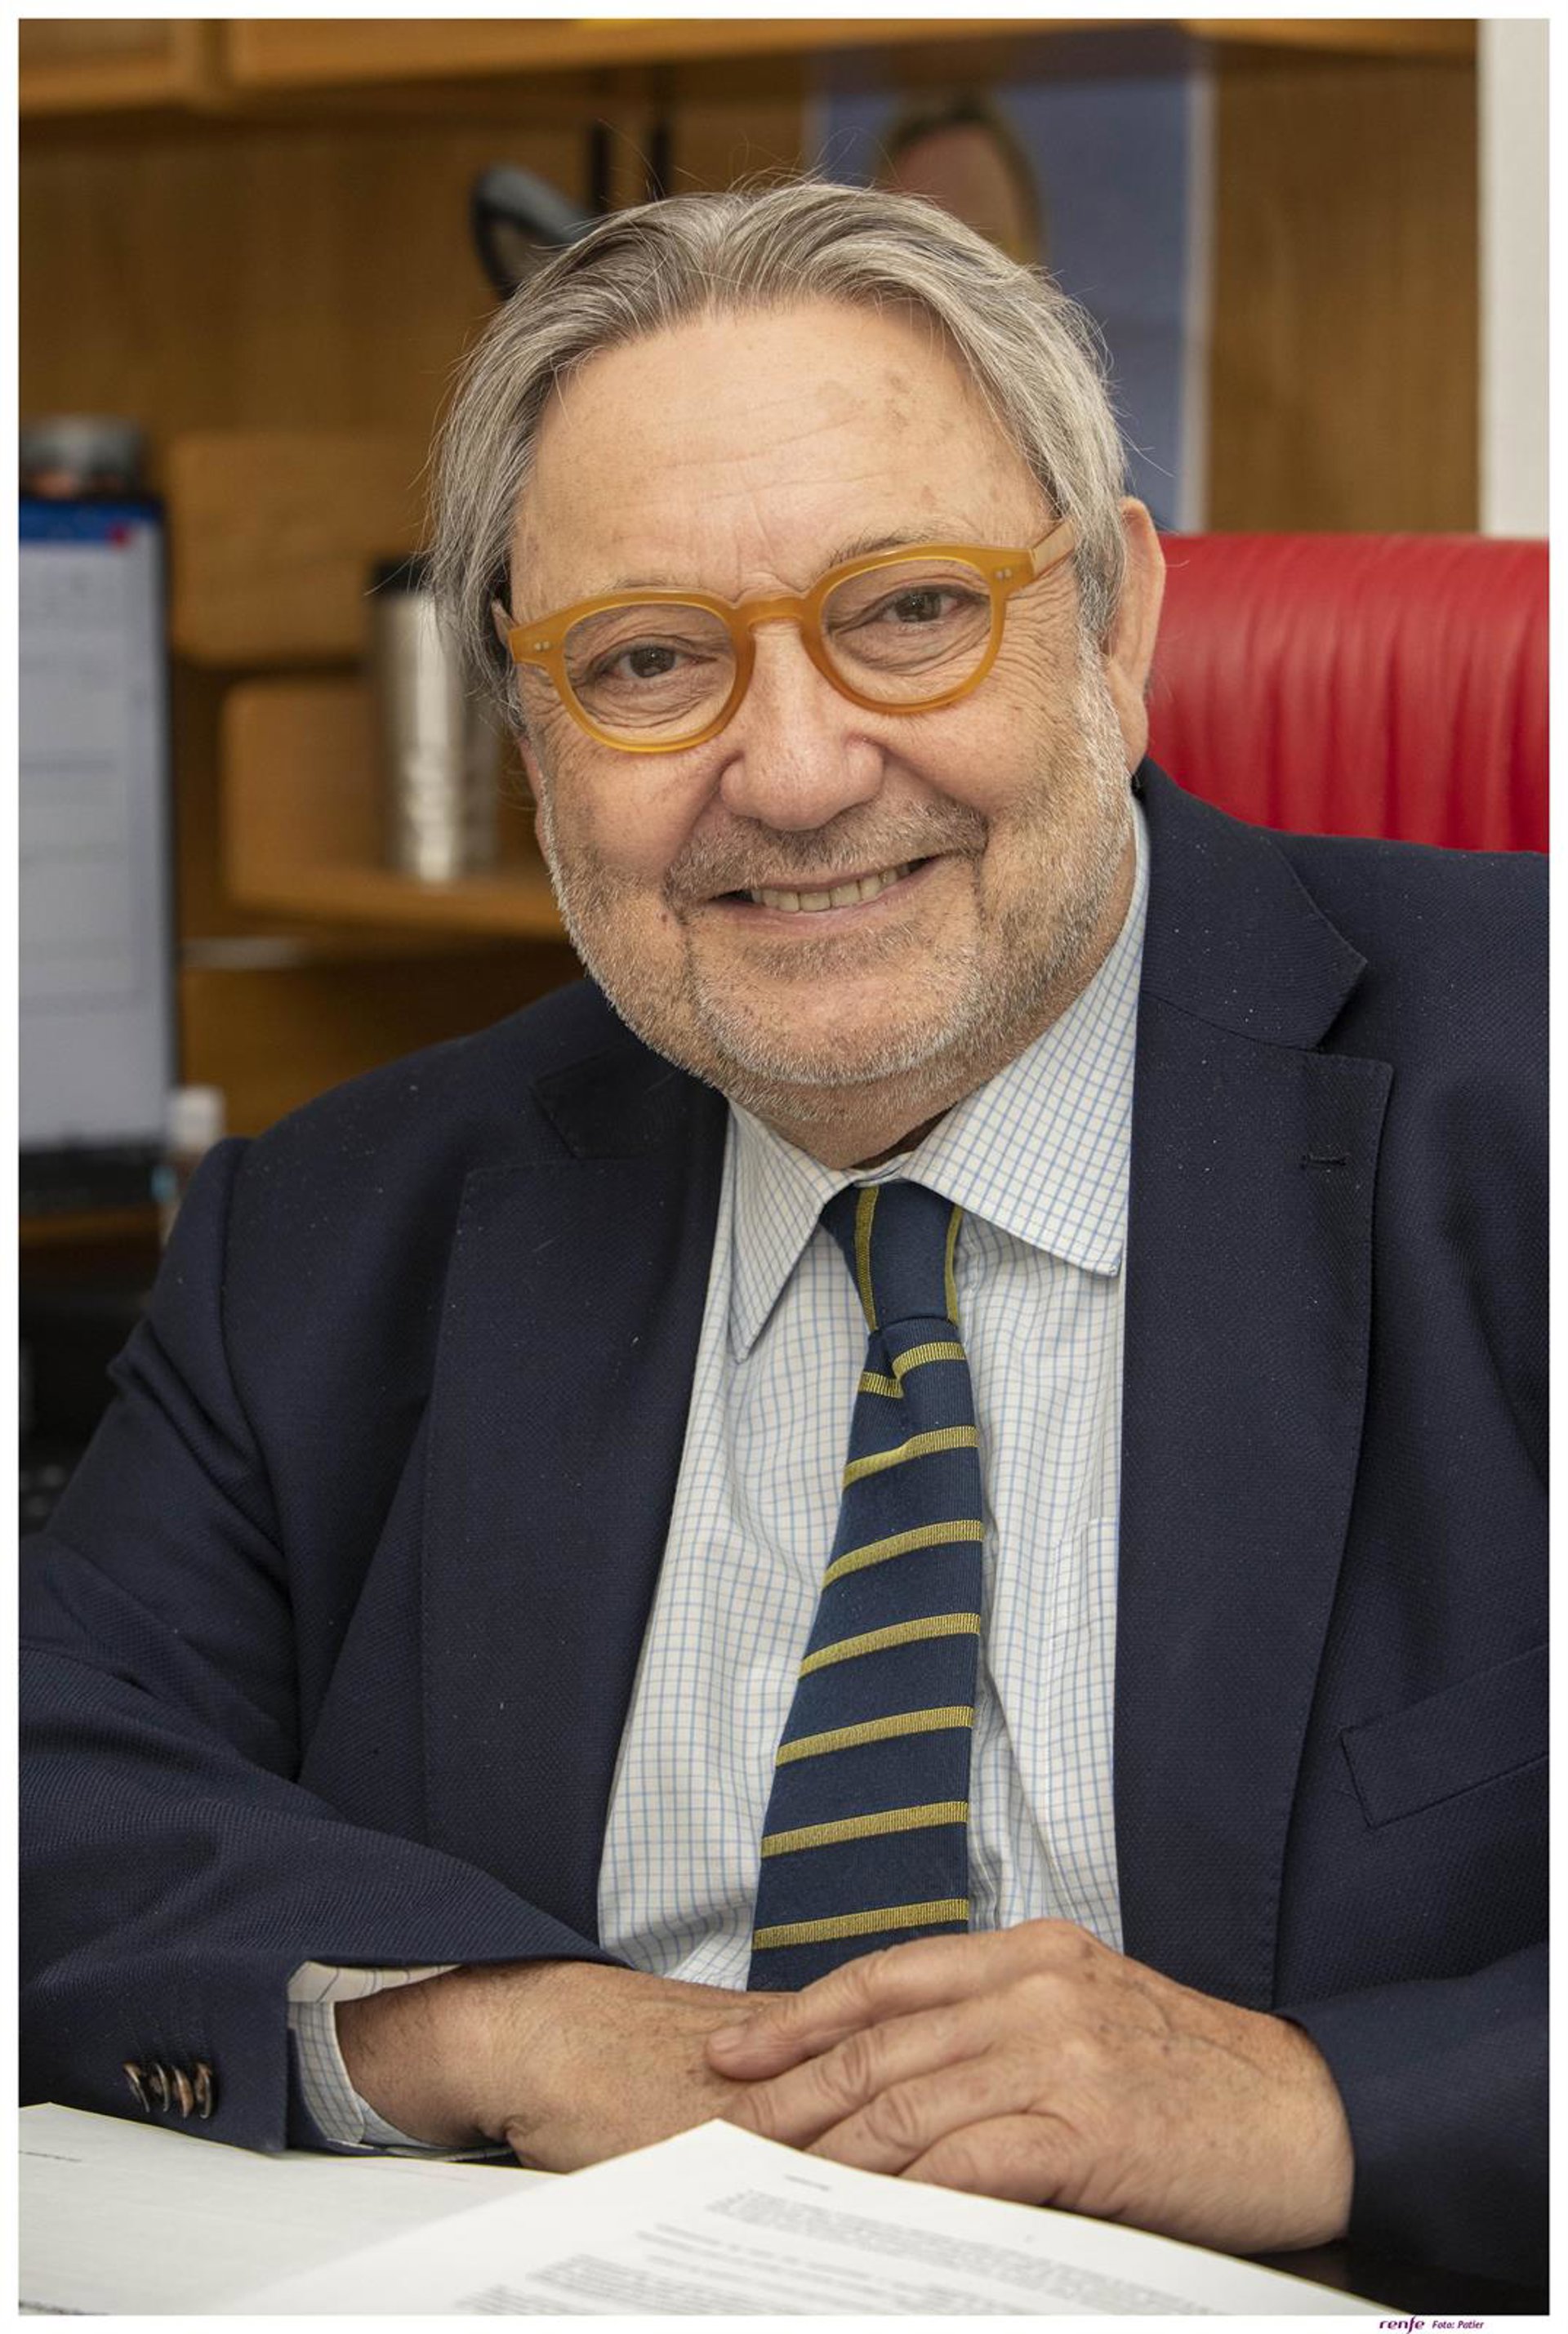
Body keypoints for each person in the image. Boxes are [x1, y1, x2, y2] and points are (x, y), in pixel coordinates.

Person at [22, 182, 1544, 2288]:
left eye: (908, 612)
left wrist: (1311, 2105)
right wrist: (505, 2030)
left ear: (1113, 627)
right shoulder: (339, 1231)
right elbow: (49, 1778)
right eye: (648, 662)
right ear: (534, 739)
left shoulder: (1525, 1099)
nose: (800, 772)